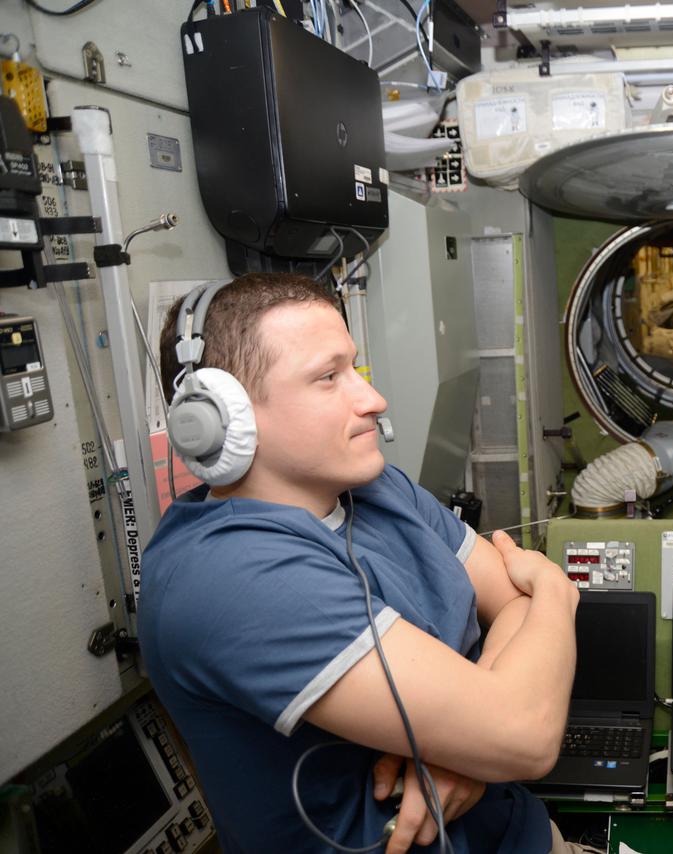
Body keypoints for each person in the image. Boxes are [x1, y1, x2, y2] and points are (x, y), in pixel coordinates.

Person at [139, 272, 582, 853]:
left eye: (355, 368)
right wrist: (555, 588)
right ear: (220, 417)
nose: (372, 399)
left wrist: (465, 748)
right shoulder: (233, 578)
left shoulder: (381, 488)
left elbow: (511, 609)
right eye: (328, 377)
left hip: (526, 836)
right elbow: (525, 735)